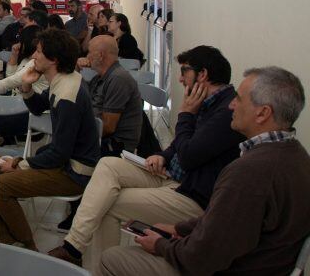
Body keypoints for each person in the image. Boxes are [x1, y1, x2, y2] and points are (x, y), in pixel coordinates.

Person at [99, 66, 310, 276]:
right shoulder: (298, 157)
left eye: (239, 99)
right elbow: (231, 225)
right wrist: (181, 229)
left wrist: (161, 245)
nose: (232, 105)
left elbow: (202, 257)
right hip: (262, 263)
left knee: (112, 258)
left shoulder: (250, 172)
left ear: (263, 113)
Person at [50, 45, 246, 267]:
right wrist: (163, 155)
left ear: (203, 74)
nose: (180, 80)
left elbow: (190, 154)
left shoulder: (227, 111)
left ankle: (94, 263)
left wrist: (185, 115)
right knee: (108, 165)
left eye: (184, 72)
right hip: (170, 173)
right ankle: (74, 247)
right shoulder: (206, 101)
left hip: (191, 193)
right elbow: (184, 144)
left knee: (106, 203)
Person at [0, 28, 100, 250]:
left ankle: (26, 248)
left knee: (0, 185)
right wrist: (26, 85)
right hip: (65, 163)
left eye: (39, 52)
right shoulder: (64, 79)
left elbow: (59, 153)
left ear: (54, 59)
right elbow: (38, 106)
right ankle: (12, 245)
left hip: (74, 174)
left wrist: (18, 163)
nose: (33, 56)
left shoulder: (67, 94)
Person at [78, 35, 143, 155]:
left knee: (60, 151)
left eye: (89, 52)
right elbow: (83, 99)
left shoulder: (118, 79)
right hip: (100, 139)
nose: (87, 56)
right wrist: (76, 69)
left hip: (114, 146)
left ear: (101, 55)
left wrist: (78, 134)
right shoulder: (100, 77)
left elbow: (107, 127)